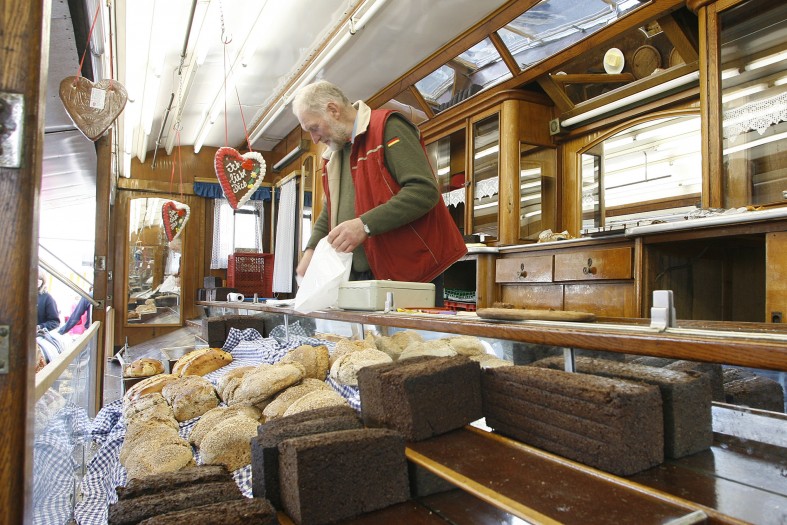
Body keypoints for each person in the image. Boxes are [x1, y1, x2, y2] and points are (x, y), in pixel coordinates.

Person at [292, 80, 467, 303]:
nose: (315, 139)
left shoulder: (388, 127)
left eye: (314, 128)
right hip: (364, 277)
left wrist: (364, 225)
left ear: (333, 110)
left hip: (409, 273)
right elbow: (330, 209)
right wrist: (311, 250)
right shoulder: (334, 156)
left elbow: (423, 191)